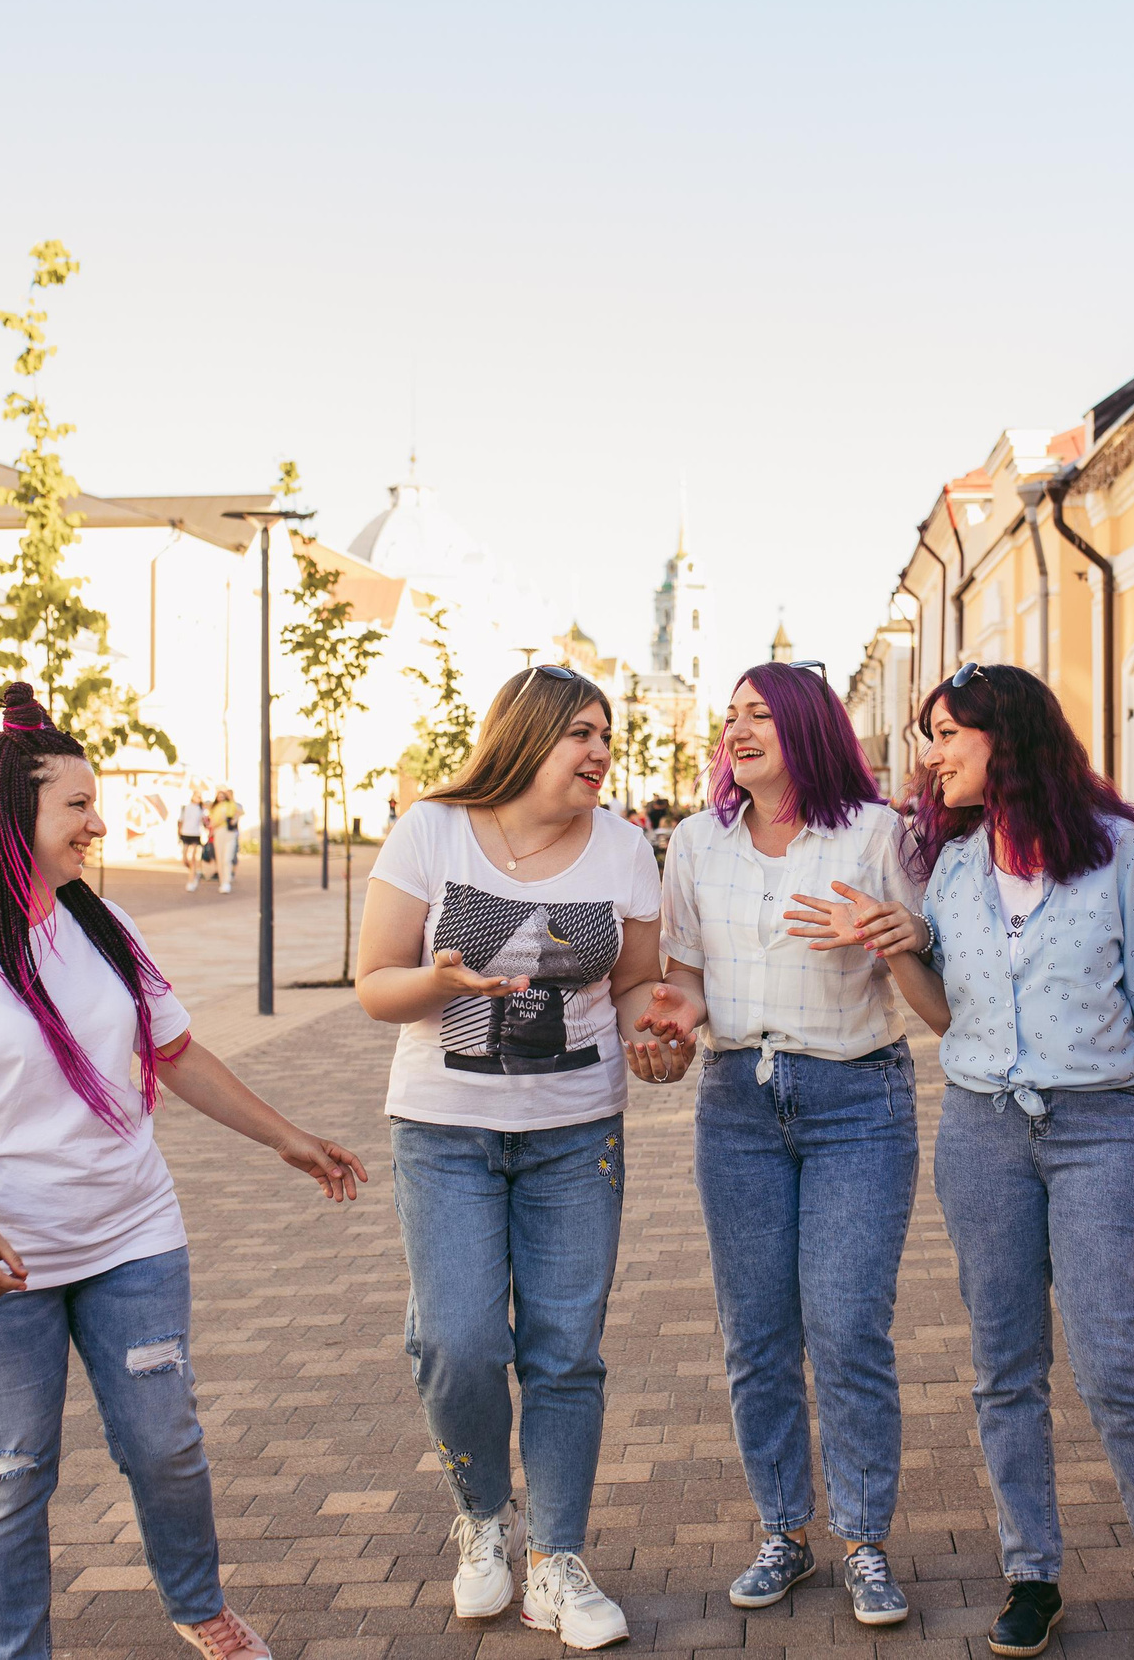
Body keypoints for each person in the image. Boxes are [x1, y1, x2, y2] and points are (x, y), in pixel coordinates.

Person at [0, 683, 369, 1660]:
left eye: (94, 804)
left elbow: (175, 1053)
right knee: (12, 1472)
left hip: (132, 1236)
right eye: (78, 805)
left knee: (163, 1443)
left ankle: (197, 1604)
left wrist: (288, 1138)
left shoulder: (103, 927)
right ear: (11, 817)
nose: (97, 824)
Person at [809, 662, 1134, 1660]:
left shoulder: (1116, 849)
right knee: (1004, 1368)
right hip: (982, 1134)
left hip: (1102, 1127)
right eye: (929, 736)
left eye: (948, 734)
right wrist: (894, 946)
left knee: (1115, 1360)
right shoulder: (953, 865)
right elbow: (950, 1020)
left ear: (1005, 736)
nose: (932, 755)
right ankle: (1031, 1573)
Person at [354, 664, 693, 1650]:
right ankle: (481, 1516)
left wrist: (653, 1037)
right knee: (457, 1341)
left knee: (565, 1348)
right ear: (527, 735)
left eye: (606, 735)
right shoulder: (433, 831)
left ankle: (555, 1560)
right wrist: (440, 981)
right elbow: (374, 983)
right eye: (581, 732)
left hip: (576, 1132)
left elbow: (634, 985)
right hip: (444, 1130)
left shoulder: (623, 848)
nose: (600, 751)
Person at [633, 663, 921, 1624]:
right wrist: (677, 1017)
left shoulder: (874, 833)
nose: (739, 728)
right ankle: (785, 1532)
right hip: (738, 1106)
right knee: (756, 1334)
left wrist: (889, 935)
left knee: (846, 1326)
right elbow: (687, 975)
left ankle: (866, 1541)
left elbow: (926, 957)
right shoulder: (695, 843)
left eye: (759, 712)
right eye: (731, 716)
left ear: (806, 725)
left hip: (857, 1100)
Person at [207, 788, 241, 895]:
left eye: (223, 796)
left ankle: (227, 881)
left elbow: (239, 812)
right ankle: (223, 882)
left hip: (230, 833)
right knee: (220, 858)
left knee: (227, 859)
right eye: (219, 796)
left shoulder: (231, 805)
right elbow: (212, 823)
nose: (221, 798)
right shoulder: (215, 808)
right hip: (219, 832)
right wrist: (220, 820)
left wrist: (233, 819)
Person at [178, 789, 210, 891]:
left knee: (193, 858)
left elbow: (205, 822)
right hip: (185, 833)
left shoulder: (202, 809)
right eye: (196, 796)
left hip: (196, 834)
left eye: (199, 797)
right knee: (184, 859)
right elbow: (180, 821)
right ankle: (195, 871)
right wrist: (179, 833)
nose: (197, 798)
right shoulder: (185, 808)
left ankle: (191, 880)